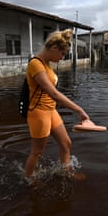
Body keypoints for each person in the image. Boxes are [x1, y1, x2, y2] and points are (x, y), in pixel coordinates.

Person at [24, 28, 90, 186]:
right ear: (54, 48)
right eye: (62, 54)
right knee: (37, 152)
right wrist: (79, 109)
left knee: (66, 143)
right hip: (38, 113)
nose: (62, 58)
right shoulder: (36, 64)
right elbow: (54, 93)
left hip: (50, 110)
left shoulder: (47, 65)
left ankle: (65, 172)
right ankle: (29, 179)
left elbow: (52, 95)